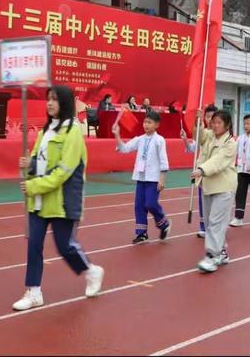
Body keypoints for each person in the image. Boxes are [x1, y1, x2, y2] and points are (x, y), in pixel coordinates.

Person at [13, 85, 104, 311]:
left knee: (65, 247)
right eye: (48, 99)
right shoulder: (45, 132)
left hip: (62, 201)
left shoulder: (73, 131)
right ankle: (34, 291)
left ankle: (91, 271)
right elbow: (38, 160)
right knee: (34, 244)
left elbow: (63, 172)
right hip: (40, 200)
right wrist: (29, 165)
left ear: (64, 102)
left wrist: (34, 185)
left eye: (54, 99)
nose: (50, 103)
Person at [113, 110, 171, 244]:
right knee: (139, 206)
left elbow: (163, 160)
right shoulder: (139, 139)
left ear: (157, 125)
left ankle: (164, 224)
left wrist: (162, 178)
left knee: (150, 204)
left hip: (153, 179)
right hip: (141, 177)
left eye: (149, 122)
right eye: (145, 122)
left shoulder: (159, 140)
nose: (146, 125)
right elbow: (124, 148)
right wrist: (117, 135)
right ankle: (142, 234)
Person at [191, 109, 238, 273]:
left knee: (216, 222)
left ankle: (211, 256)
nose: (215, 125)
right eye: (213, 122)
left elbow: (218, 161)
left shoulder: (230, 143)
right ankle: (222, 252)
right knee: (212, 222)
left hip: (224, 186)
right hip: (208, 185)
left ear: (227, 125)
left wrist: (202, 169)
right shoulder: (210, 135)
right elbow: (199, 138)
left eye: (219, 122)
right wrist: (198, 123)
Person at [180, 104, 219, 238]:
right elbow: (192, 148)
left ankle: (215, 227)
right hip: (201, 173)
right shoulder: (202, 134)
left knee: (215, 201)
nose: (210, 120)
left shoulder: (220, 136)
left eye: (212, 117)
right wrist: (185, 138)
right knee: (203, 200)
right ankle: (204, 226)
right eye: (207, 117)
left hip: (215, 174)